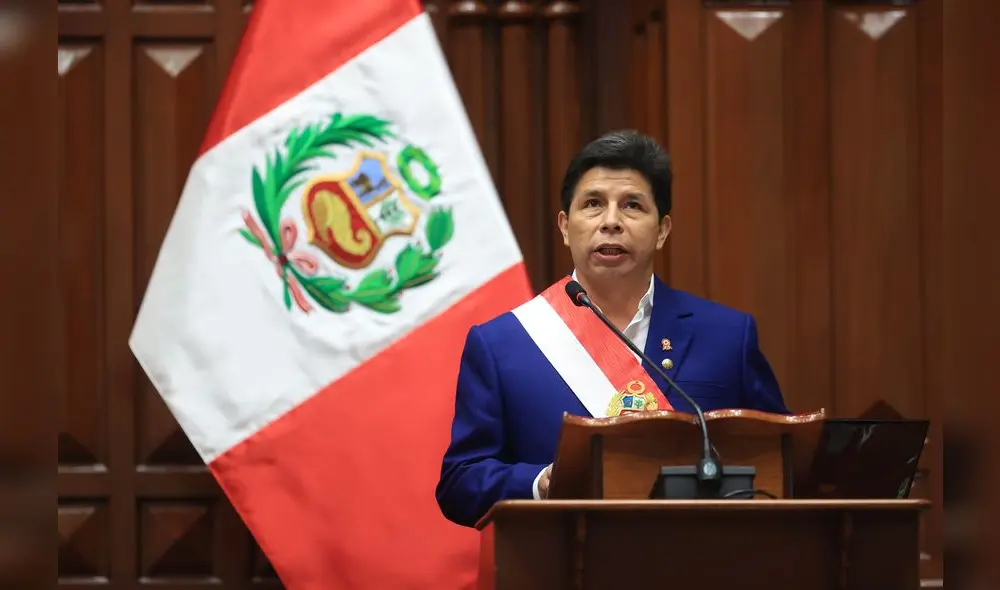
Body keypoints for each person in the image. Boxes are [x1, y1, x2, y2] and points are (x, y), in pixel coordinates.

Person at [435, 130, 790, 528]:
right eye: (593, 204)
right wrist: (540, 483)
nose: (611, 222)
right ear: (565, 226)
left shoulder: (727, 335)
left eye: (632, 205)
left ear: (663, 230)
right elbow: (459, 483)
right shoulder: (504, 344)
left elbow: (783, 460)